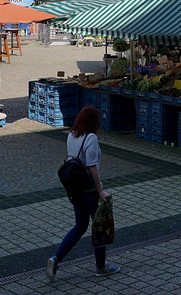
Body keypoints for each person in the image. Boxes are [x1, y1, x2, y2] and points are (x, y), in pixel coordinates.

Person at [47, 106, 119, 282]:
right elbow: (92, 166)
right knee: (99, 227)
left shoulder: (71, 135)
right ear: (93, 122)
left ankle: (55, 259)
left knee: (79, 226)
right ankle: (101, 267)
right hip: (89, 191)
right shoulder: (91, 138)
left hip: (75, 190)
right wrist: (100, 190)